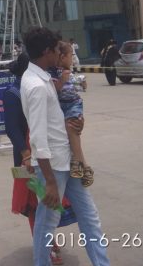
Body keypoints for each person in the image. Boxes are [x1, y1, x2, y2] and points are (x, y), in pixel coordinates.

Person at [21, 27, 109, 266]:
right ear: (46, 51)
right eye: (55, 50)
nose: (59, 55)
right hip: (53, 167)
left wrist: (74, 124)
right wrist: (49, 181)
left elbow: (56, 116)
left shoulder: (43, 78)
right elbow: (38, 138)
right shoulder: (37, 86)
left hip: (66, 160)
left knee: (89, 216)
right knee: (46, 224)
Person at [4, 53, 72, 265]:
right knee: (35, 205)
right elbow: (12, 129)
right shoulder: (13, 93)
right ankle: (47, 248)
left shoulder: (40, 85)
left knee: (48, 202)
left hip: (45, 153)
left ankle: (48, 243)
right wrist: (26, 155)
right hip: (26, 156)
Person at [49, 42, 93, 187]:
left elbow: (75, 89)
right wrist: (62, 80)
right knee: (71, 131)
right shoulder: (53, 73)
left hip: (74, 105)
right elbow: (54, 90)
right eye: (70, 56)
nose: (72, 59)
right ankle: (84, 166)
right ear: (62, 57)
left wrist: (82, 85)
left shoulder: (69, 72)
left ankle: (78, 163)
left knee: (72, 128)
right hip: (62, 107)